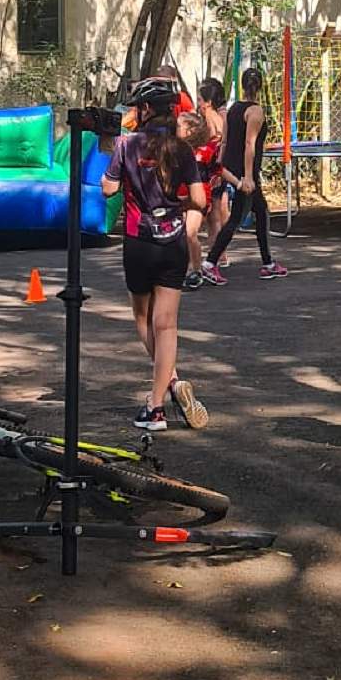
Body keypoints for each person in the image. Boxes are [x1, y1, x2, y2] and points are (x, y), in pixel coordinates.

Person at [101, 76, 209, 432]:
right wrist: (175, 202)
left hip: (139, 241)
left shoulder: (127, 145)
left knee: (143, 319)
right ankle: (158, 403)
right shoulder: (182, 149)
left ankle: (172, 383)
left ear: (145, 110)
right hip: (174, 241)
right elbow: (199, 200)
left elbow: (108, 189)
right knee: (168, 325)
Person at [200, 67, 288, 283]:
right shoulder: (256, 112)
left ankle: (268, 263)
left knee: (261, 211)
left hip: (233, 166)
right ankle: (209, 263)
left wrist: (220, 163)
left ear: (242, 85)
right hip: (244, 170)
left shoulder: (233, 109)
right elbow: (249, 144)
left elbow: (227, 140)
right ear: (261, 87)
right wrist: (247, 177)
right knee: (237, 217)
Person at [177, 109, 219, 288]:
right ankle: (185, 268)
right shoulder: (175, 149)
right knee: (179, 234)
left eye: (179, 126)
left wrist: (237, 182)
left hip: (198, 199)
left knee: (190, 232)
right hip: (180, 197)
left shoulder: (205, 151)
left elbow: (218, 169)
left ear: (191, 130)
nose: (175, 128)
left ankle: (196, 271)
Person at [197, 78, 229, 255]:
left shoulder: (210, 118)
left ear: (208, 102)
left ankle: (215, 253)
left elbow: (209, 142)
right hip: (218, 168)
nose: (198, 104)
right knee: (216, 213)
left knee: (211, 216)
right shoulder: (220, 117)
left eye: (200, 100)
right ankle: (219, 254)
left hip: (211, 169)